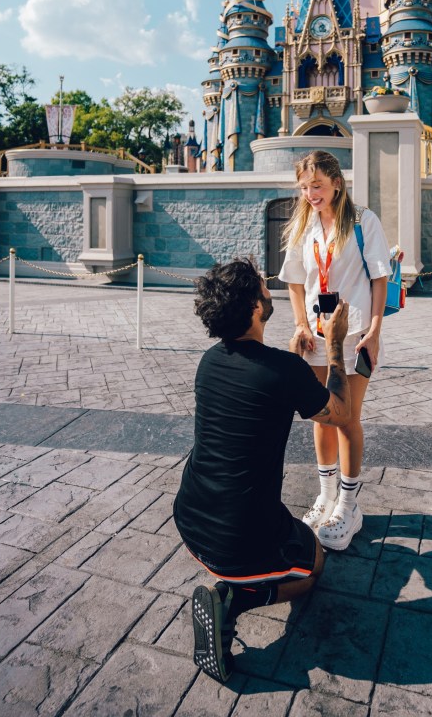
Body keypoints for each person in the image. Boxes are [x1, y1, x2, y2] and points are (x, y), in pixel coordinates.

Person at [173, 257, 351, 683]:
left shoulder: (209, 361)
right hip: (238, 538)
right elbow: (341, 413)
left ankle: (233, 580)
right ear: (256, 306)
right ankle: (231, 600)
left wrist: (291, 364)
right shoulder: (284, 372)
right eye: (264, 287)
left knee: (278, 539)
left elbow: (260, 385)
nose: (270, 291)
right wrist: (336, 344)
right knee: (314, 567)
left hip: (191, 522)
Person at [279, 150, 391, 551]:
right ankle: (325, 497)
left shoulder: (363, 221)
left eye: (317, 185)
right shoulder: (303, 224)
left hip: (354, 334)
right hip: (316, 336)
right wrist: (300, 324)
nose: (311, 194)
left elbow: (379, 279)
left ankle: (348, 505)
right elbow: (295, 282)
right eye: (305, 187)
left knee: (347, 418)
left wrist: (374, 332)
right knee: (321, 416)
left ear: (336, 184)